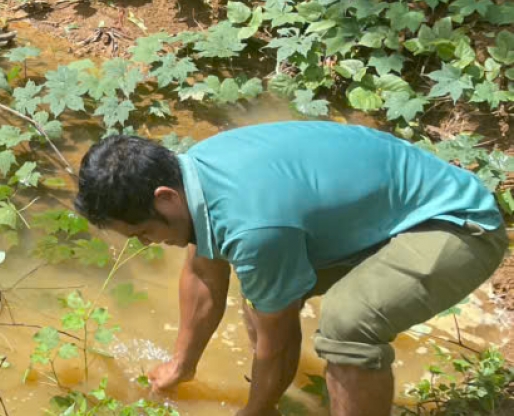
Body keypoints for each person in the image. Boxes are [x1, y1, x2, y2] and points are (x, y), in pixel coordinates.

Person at [74, 123, 508, 416]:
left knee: (344, 325)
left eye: (144, 233)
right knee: (263, 297)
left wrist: (252, 413)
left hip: (457, 225)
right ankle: (309, 390)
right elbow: (205, 270)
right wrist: (180, 366)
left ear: (166, 198)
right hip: (385, 215)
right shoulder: (198, 168)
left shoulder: (254, 227)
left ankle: (317, 387)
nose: (150, 244)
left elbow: (276, 343)